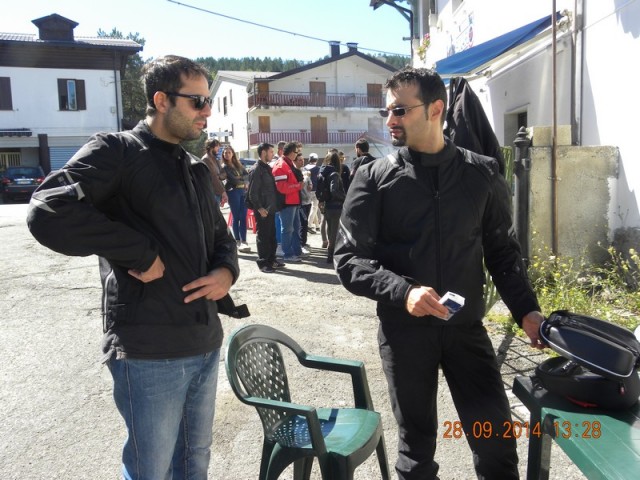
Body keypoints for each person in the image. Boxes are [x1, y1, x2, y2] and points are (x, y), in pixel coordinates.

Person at [26, 55, 240, 480]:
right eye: (197, 101)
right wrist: (138, 253)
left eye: (208, 101)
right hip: (148, 351)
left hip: (204, 341)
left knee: (194, 461)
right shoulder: (117, 151)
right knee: (150, 470)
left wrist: (226, 273)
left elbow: (222, 239)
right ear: (161, 100)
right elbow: (48, 208)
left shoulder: (194, 169)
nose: (207, 112)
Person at [334, 66, 545, 480]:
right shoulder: (374, 177)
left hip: (466, 330)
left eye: (399, 110)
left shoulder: (481, 172)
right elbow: (349, 259)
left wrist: (527, 311)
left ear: (435, 109)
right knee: (416, 452)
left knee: (497, 444)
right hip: (405, 334)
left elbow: (503, 252)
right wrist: (403, 292)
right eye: (386, 111)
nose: (390, 120)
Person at [247, 142, 285, 273]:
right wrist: (259, 208)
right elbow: (252, 192)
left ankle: (271, 260)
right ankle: (263, 263)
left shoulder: (266, 168)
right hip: (262, 209)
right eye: (271, 152)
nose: (273, 154)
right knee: (263, 236)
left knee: (271, 235)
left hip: (270, 208)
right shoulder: (257, 169)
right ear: (263, 152)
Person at [272, 141, 303, 263]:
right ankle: (288, 254)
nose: (297, 154)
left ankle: (296, 252)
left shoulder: (287, 163)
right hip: (287, 203)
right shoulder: (281, 165)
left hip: (292, 202)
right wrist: (298, 186)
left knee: (294, 228)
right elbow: (281, 187)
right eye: (296, 152)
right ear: (291, 152)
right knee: (288, 229)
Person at [221, 145, 251, 253]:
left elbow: (246, 175)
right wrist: (241, 179)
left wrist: (244, 180)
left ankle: (244, 240)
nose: (227, 154)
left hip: (243, 191)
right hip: (233, 192)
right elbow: (233, 179)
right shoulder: (224, 167)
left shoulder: (238, 164)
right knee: (236, 216)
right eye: (225, 153)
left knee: (243, 216)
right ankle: (237, 240)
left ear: (233, 153)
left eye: (229, 152)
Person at [318, 151, 345, 263]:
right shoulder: (334, 174)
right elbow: (334, 190)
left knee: (330, 230)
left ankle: (330, 253)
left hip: (327, 206)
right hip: (336, 206)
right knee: (335, 231)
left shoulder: (323, 172)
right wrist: (344, 197)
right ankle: (331, 254)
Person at [294, 152, 313, 251]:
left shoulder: (305, 171)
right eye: (300, 160)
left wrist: (310, 185)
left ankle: (303, 242)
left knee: (304, 223)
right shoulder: (293, 172)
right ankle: (301, 243)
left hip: (308, 201)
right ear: (295, 161)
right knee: (302, 222)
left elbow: (310, 183)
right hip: (299, 202)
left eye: (303, 160)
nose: (302, 161)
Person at [201, 137, 228, 206]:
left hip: (217, 193)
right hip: (211, 193)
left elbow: (224, 173)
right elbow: (214, 178)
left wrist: (219, 176)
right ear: (211, 147)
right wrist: (223, 192)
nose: (219, 148)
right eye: (217, 146)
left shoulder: (215, 159)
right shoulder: (206, 159)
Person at [304, 153, 321, 233]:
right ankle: (309, 225)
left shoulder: (305, 168)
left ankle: (317, 226)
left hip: (306, 190)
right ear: (316, 160)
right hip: (315, 190)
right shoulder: (317, 168)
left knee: (314, 208)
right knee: (314, 207)